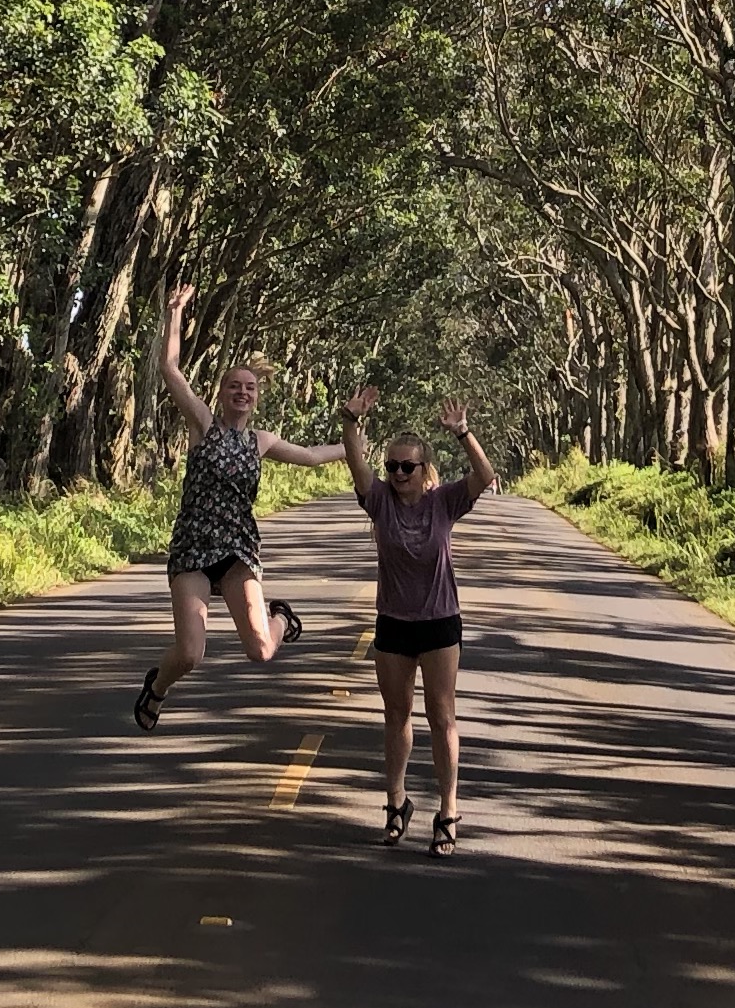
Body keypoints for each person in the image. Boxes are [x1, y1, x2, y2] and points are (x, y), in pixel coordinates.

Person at [135, 280, 345, 732]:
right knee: (190, 653)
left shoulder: (260, 441)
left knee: (261, 650)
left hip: (237, 551)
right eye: (234, 386)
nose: (242, 392)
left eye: (249, 387)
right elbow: (170, 369)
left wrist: (351, 444)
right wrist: (174, 314)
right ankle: (157, 688)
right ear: (223, 391)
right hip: (193, 547)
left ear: (256, 396)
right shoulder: (203, 425)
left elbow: (310, 456)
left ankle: (280, 620)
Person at [343, 386, 493, 855]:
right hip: (393, 622)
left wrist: (463, 434)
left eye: (408, 466)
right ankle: (396, 802)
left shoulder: (444, 501)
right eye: (392, 466)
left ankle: (448, 811)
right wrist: (351, 419)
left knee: (441, 715)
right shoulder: (379, 500)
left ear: (424, 470)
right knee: (396, 716)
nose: (399, 473)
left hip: (440, 620)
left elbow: (484, 476)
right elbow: (353, 458)